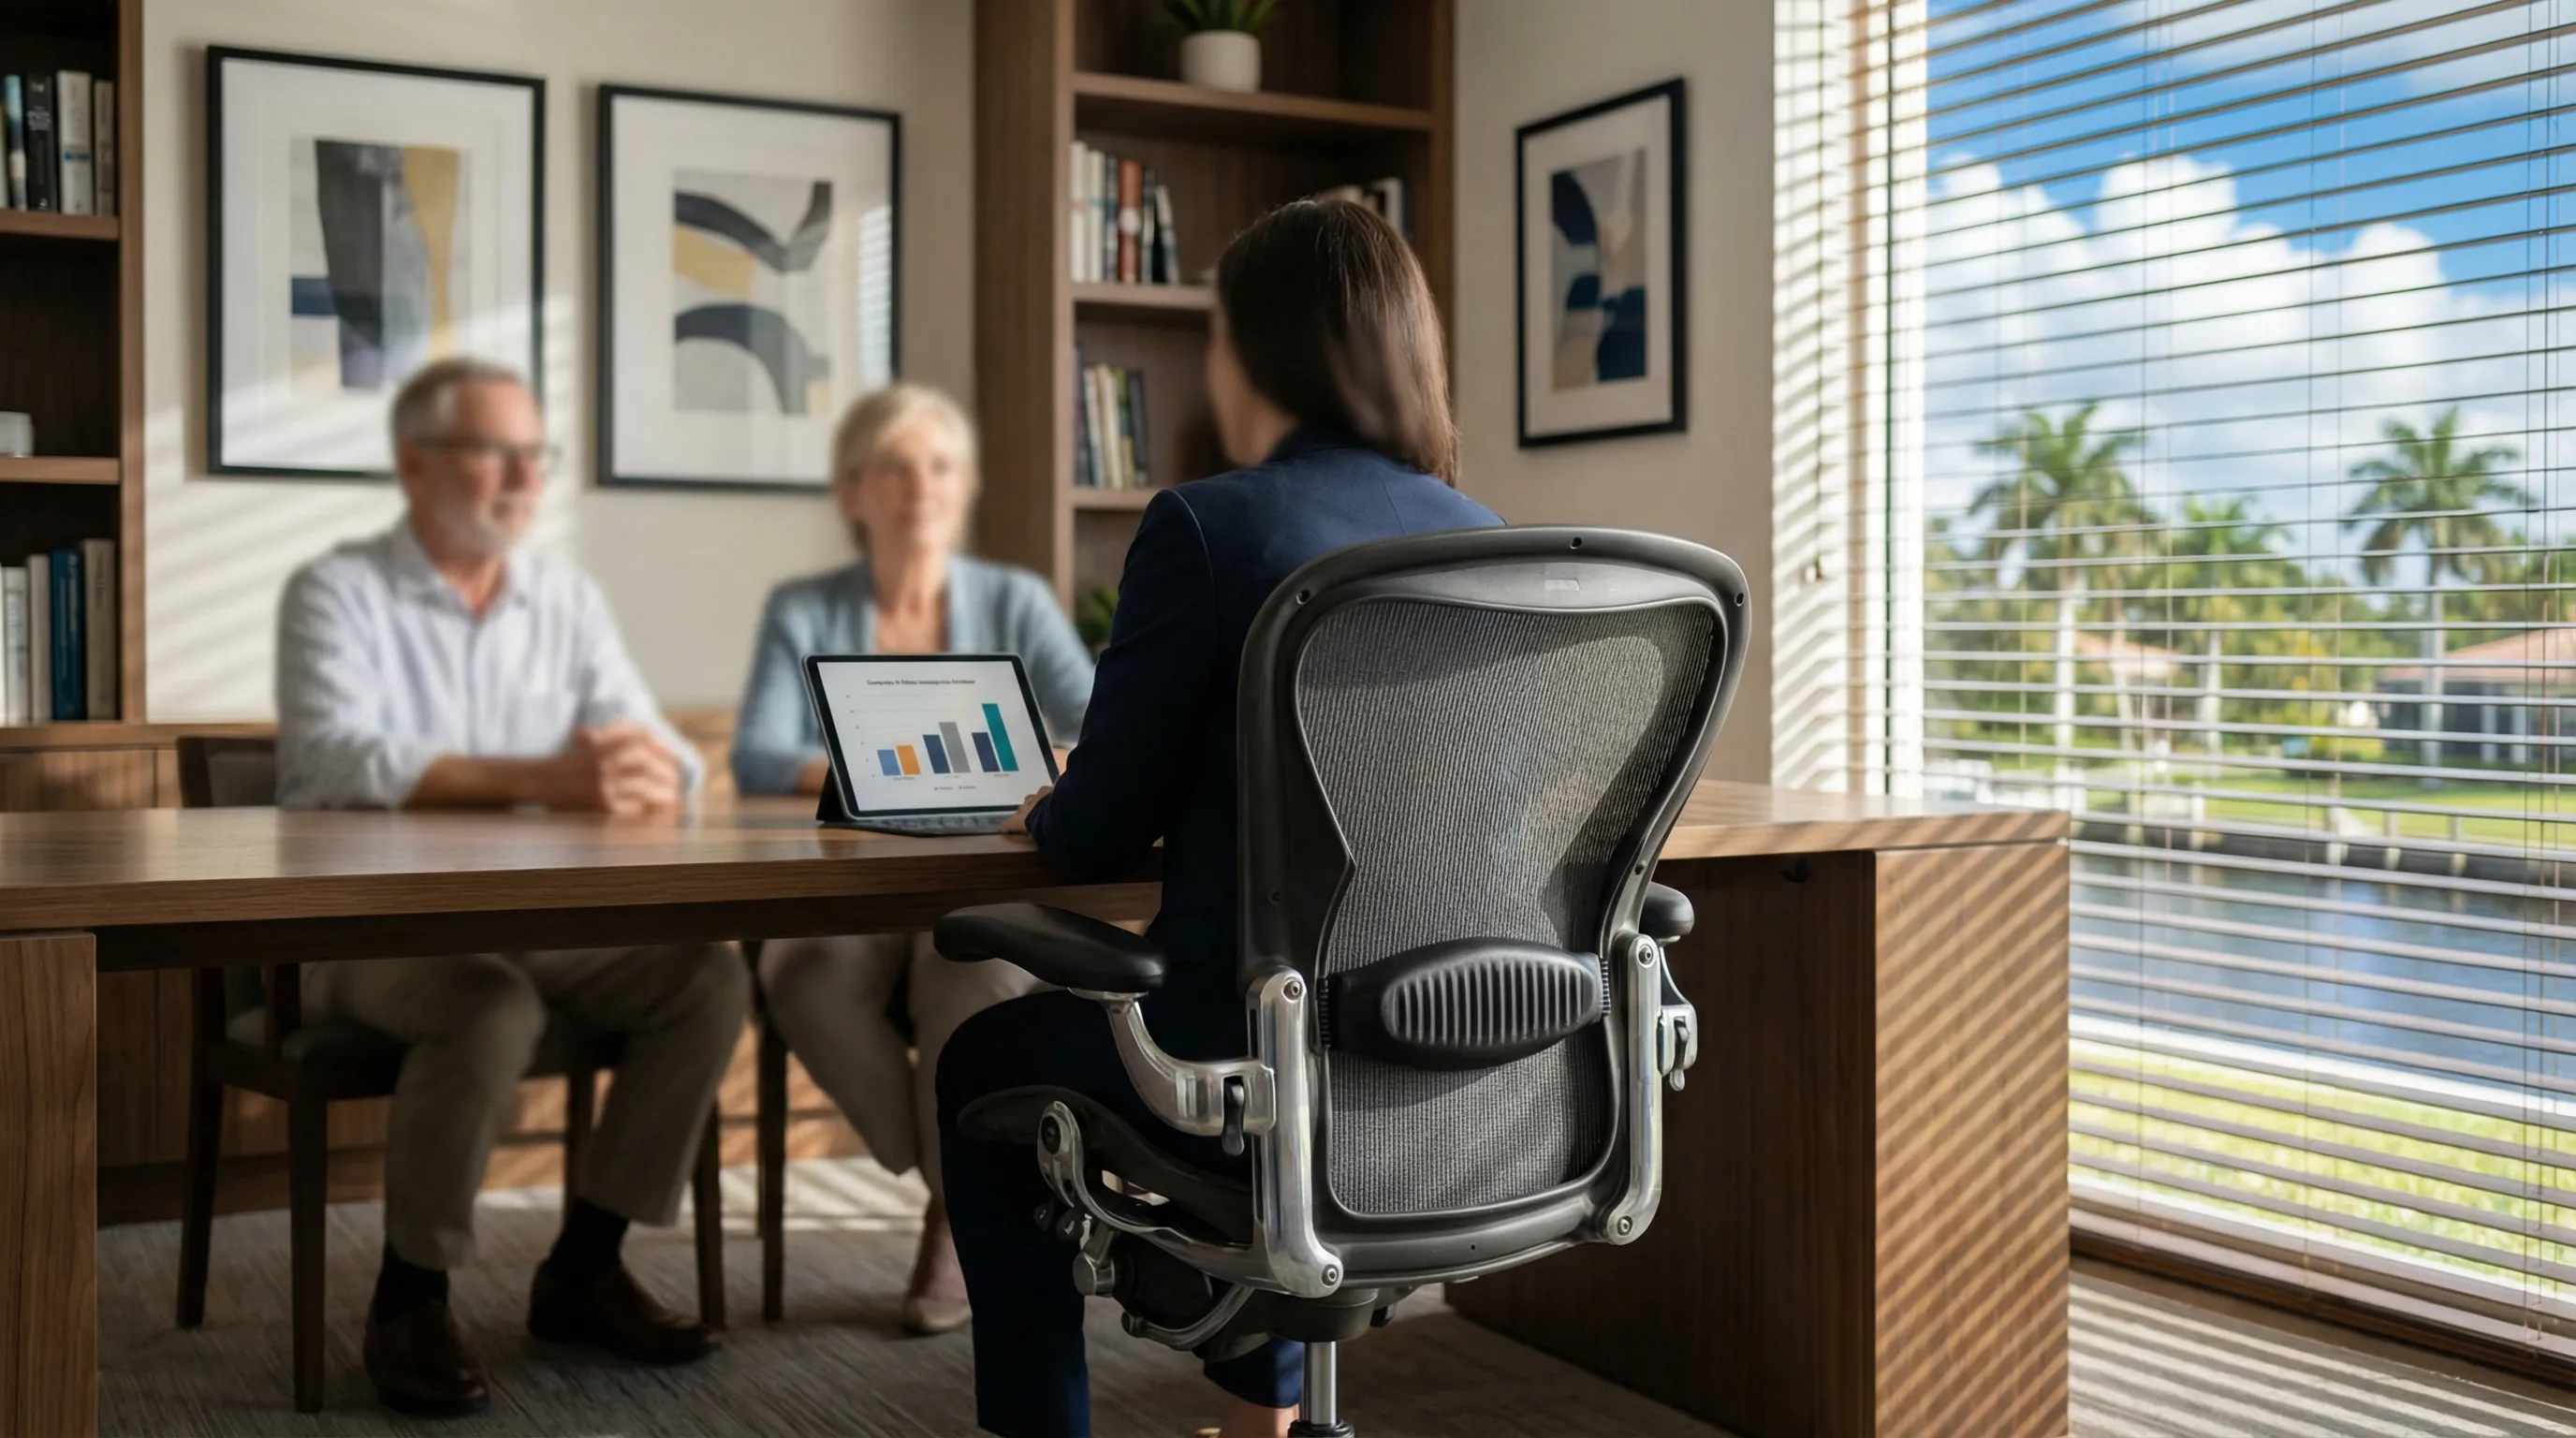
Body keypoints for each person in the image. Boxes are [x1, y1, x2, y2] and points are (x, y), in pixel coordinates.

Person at [935, 200, 1504, 1438]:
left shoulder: (1211, 524)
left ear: (1254, 352)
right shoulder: (1489, 544)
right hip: (1454, 1054)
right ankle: (1267, 1422)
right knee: (1272, 1053)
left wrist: (1060, 797)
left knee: (983, 1062)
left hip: (1247, 1057)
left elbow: (1089, 839)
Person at [274, 357, 751, 1418]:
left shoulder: (566, 604)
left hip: (541, 924)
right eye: (499, 452)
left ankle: (585, 1263)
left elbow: (667, 757)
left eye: (538, 455)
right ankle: (411, 1296)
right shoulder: (336, 594)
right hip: (362, 933)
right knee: (487, 1004)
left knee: (708, 980)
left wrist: (645, 775)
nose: (525, 477)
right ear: (414, 464)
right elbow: (330, 765)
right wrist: (542, 778)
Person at [730, 382, 1092, 1333]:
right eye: (892, 467)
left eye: (937, 467)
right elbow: (758, 754)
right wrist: (873, 768)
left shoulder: (1011, 600)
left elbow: (1103, 727)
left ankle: (952, 1222)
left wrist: (1021, 763)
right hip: (846, 899)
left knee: (971, 976)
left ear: (962, 486)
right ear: (853, 491)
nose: (917, 488)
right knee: (797, 976)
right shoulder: (803, 609)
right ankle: (963, 1190)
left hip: (979, 889)